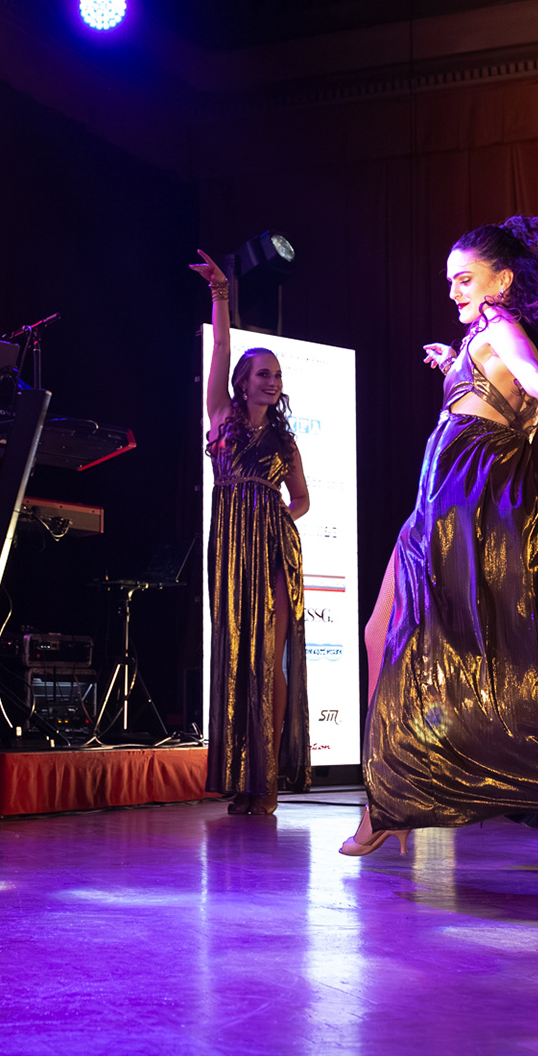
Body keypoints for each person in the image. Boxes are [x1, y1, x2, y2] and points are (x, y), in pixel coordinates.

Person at [343, 215, 538, 882]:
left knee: (472, 650)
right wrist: (455, 364)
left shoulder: (501, 327)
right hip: (452, 496)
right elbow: (504, 382)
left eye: (465, 279)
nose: (454, 291)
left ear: (503, 280)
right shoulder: (483, 338)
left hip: (468, 497)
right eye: (450, 281)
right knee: (409, 636)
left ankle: (388, 804)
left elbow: (526, 372)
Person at [191, 249, 311, 815]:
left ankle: (267, 783)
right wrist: (221, 292)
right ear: (242, 382)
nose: (273, 382)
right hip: (230, 548)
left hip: (275, 551)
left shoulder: (286, 442)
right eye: (264, 374)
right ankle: (242, 778)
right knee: (236, 660)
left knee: (269, 659)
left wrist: (279, 519)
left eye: (278, 376)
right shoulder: (220, 417)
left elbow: (303, 500)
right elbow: (220, 346)